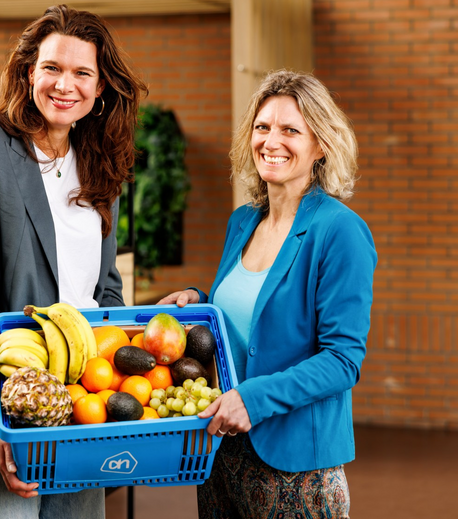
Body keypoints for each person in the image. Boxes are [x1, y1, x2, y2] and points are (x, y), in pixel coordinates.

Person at [0, 5, 148, 519]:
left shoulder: (99, 167)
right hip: (2, 398)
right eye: (52, 67)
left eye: (82, 73)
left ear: (100, 90)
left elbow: (105, 289)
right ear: (29, 74)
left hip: (78, 399)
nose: (64, 84)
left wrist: (120, 369)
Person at [158, 69, 376, 518]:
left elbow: (343, 360)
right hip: (220, 451)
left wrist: (253, 400)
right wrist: (198, 300)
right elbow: (247, 315)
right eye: (262, 127)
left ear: (320, 145)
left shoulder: (340, 231)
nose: (271, 141)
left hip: (295, 469)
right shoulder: (243, 221)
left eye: (290, 130)